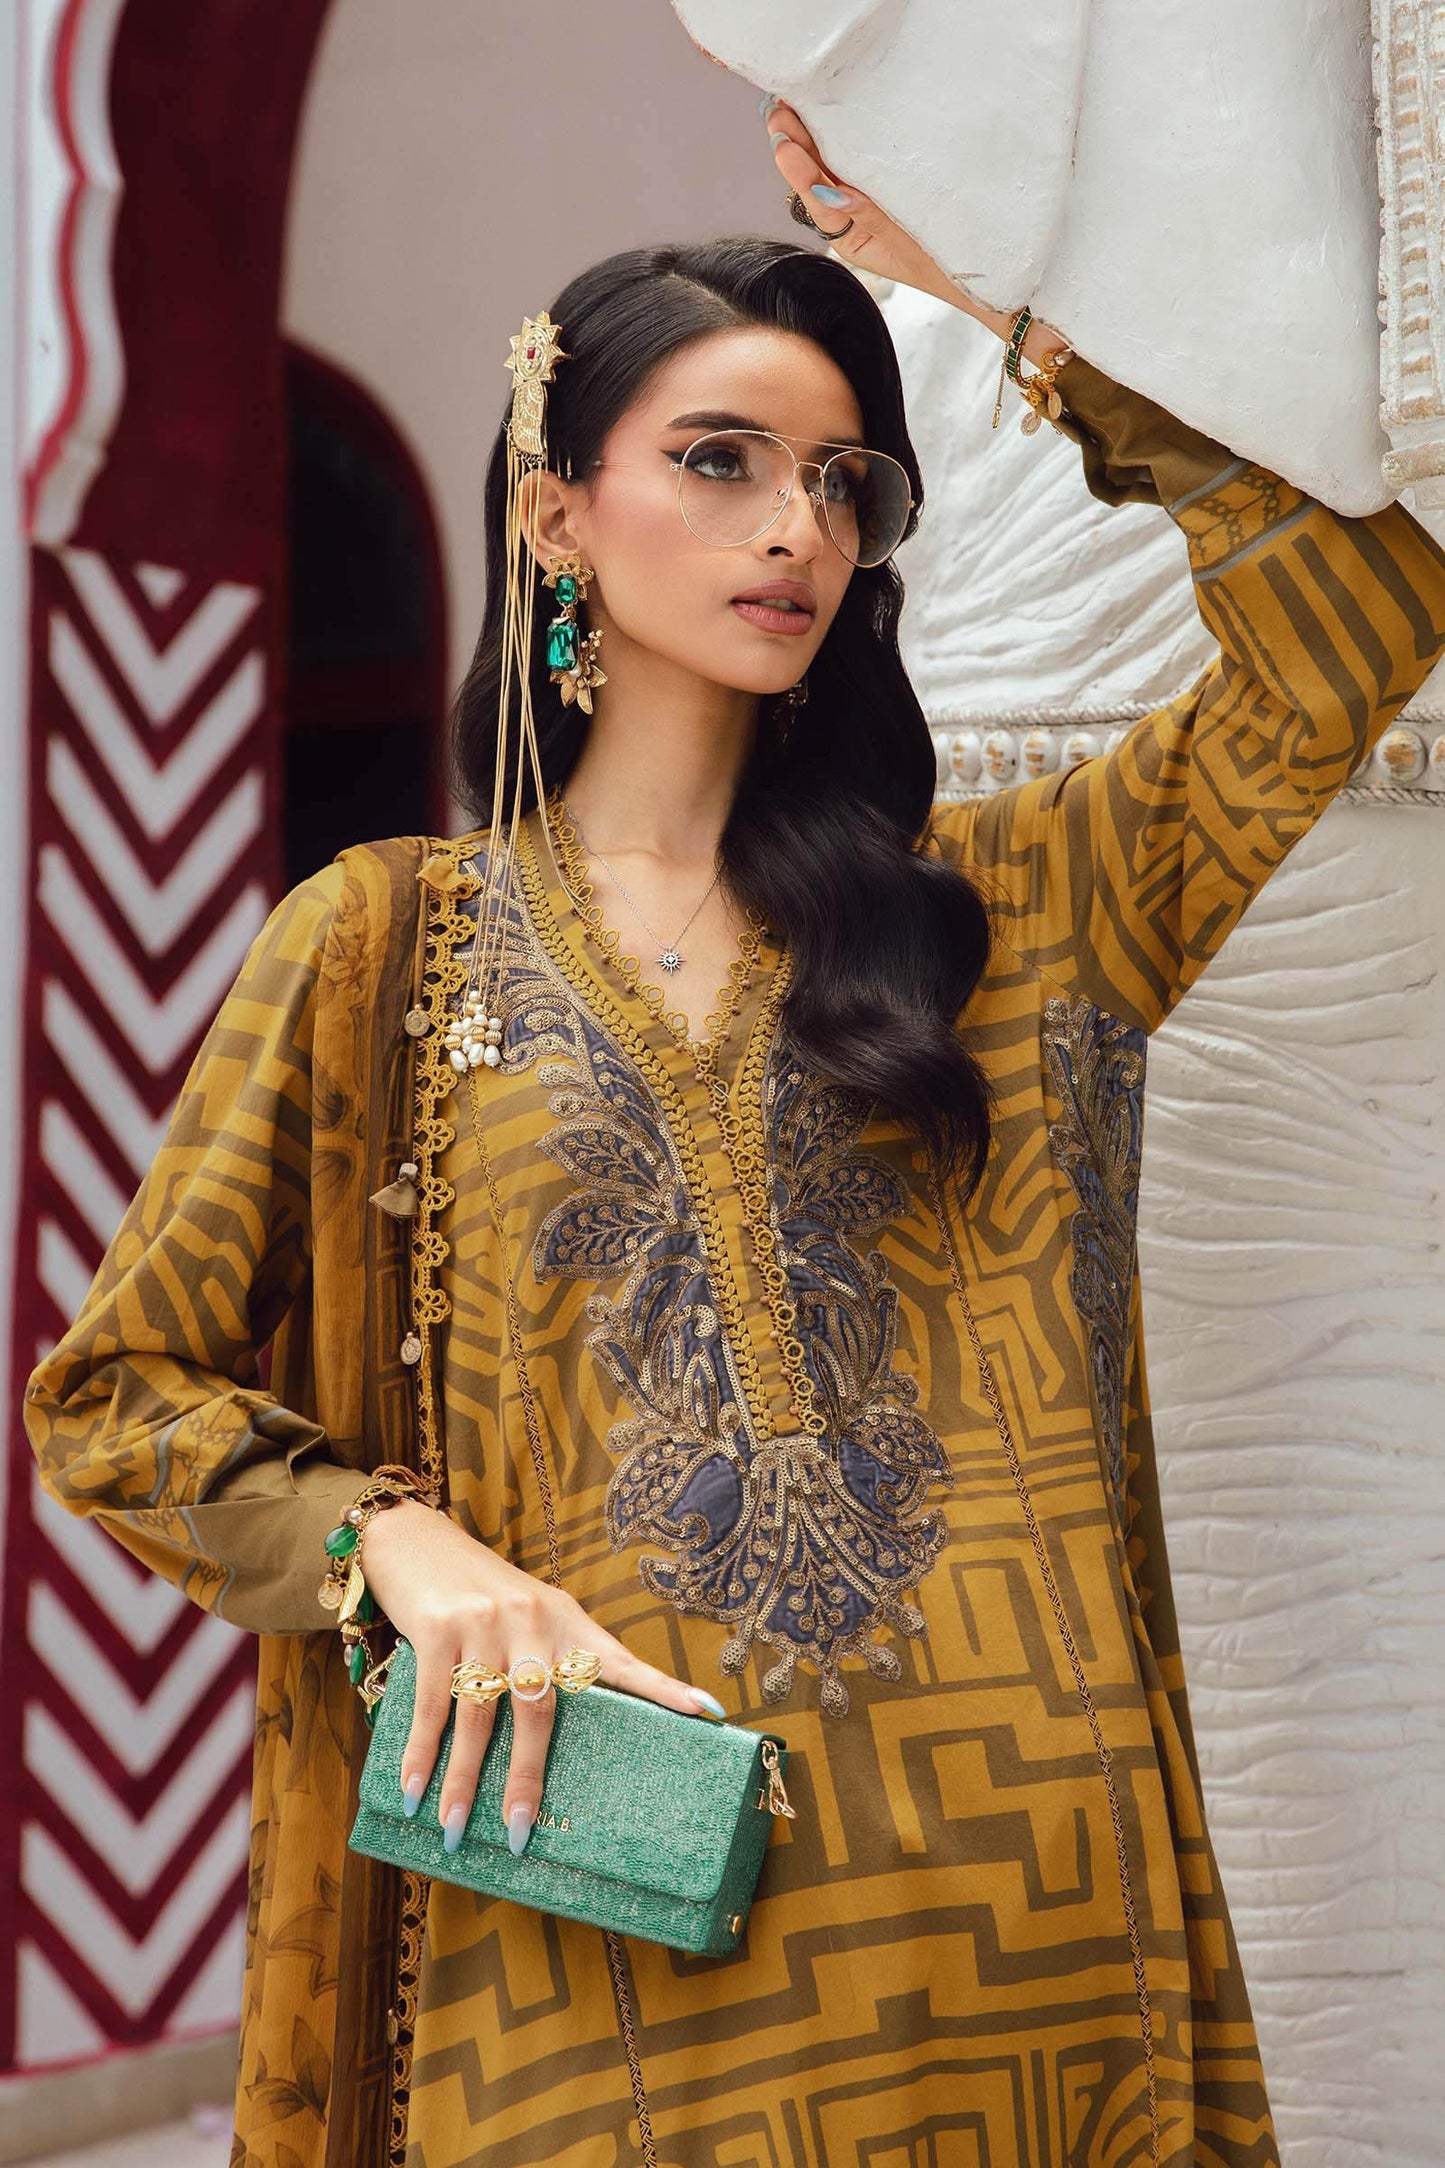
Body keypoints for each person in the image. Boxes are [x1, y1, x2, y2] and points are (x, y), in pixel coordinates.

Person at [23, 101, 1445, 2168]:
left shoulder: (1020, 915)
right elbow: (116, 1398)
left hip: (1035, 1979)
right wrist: (387, 1546)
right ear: (553, 518)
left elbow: (1368, 615)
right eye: (719, 461)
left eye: (842, 478)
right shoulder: (382, 950)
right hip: (599, 1957)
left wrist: (1007, 308)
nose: (796, 523)